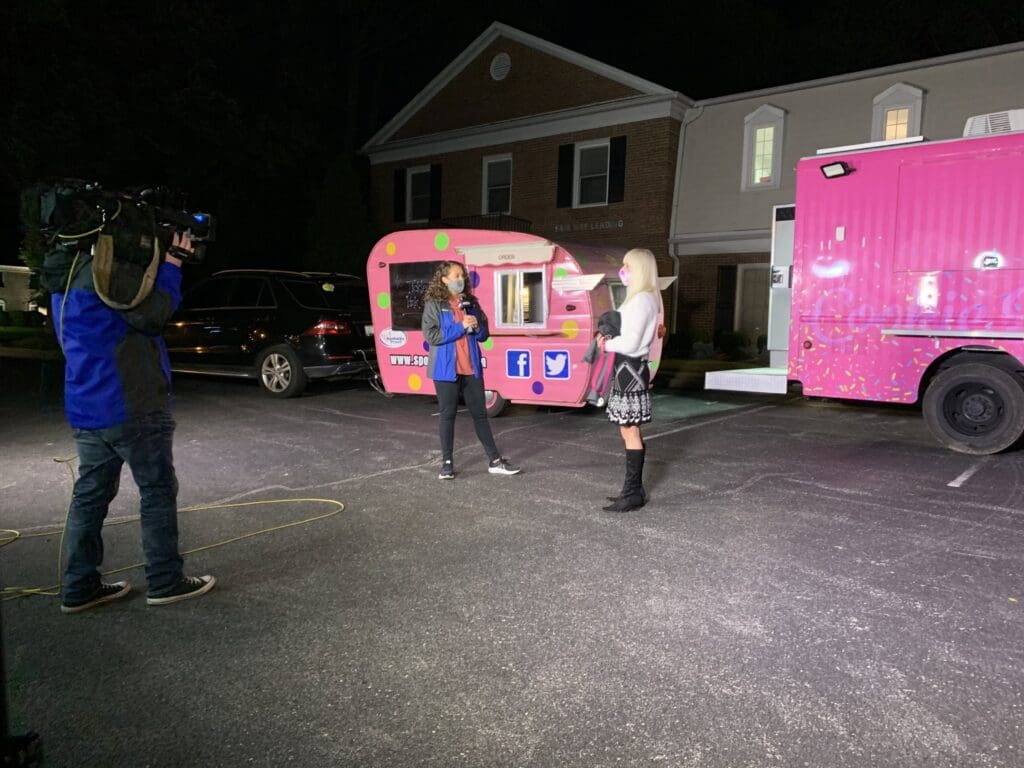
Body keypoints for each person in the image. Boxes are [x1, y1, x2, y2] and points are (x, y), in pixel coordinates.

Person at [45, 231, 216, 613]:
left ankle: (79, 586)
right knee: (156, 490)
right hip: (131, 404)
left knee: (89, 498)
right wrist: (172, 264)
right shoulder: (107, 276)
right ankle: (165, 580)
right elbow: (154, 313)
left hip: (86, 405)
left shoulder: (62, 281)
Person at [421, 261, 521, 480]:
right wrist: (460, 326)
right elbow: (431, 336)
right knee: (448, 415)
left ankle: (495, 461)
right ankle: (447, 464)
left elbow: (484, 335)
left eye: (462, 276)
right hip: (445, 370)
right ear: (444, 279)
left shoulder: (470, 302)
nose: (460, 280)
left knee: (480, 415)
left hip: (471, 368)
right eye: (456, 276)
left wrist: (477, 327)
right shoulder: (435, 304)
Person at [596, 248, 662, 512]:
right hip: (632, 369)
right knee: (628, 429)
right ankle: (634, 490)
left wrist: (606, 345)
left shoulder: (640, 300)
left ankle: (632, 492)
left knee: (630, 429)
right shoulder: (644, 298)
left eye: (627, 265)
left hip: (630, 368)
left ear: (640, 269)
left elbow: (632, 342)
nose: (623, 270)